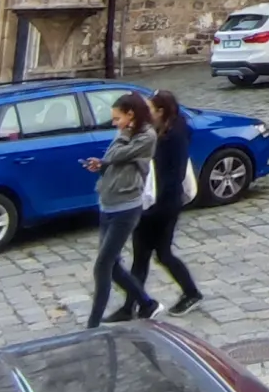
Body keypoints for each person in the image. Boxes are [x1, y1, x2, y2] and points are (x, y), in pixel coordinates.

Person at [85, 93, 158, 328]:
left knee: (103, 265)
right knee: (113, 265)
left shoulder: (146, 136)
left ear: (131, 114)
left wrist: (124, 135)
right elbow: (111, 158)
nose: (115, 123)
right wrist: (100, 164)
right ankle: (146, 303)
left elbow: (117, 154)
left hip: (126, 208)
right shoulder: (125, 132)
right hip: (108, 203)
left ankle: (93, 324)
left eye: (118, 118)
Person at [132, 90, 203, 314]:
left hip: (165, 206)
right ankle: (132, 304)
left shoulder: (175, 137)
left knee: (163, 253)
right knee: (141, 255)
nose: (147, 114)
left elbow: (174, 176)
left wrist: (155, 208)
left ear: (161, 111)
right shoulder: (158, 130)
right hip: (151, 204)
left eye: (150, 110)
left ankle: (192, 293)